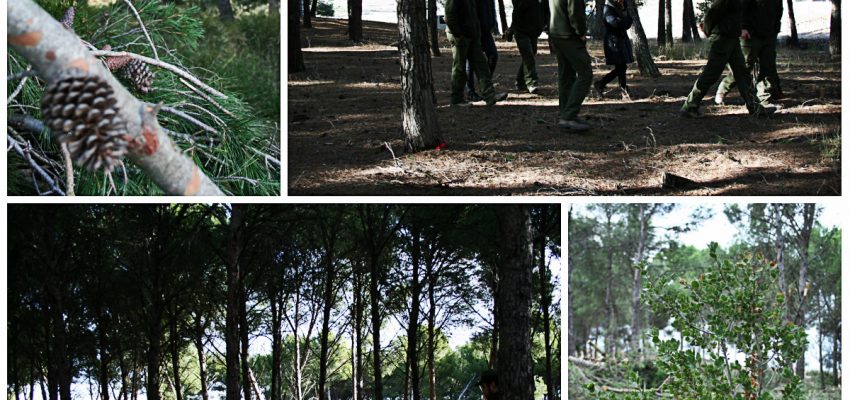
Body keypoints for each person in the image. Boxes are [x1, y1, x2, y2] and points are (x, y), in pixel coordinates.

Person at [680, 0, 776, 118]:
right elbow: (713, 12)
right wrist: (709, 31)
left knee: (742, 73)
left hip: (732, 39)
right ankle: (690, 106)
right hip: (722, 39)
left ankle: (755, 107)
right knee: (711, 74)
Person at [714, 0, 783, 106]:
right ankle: (723, 89)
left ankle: (764, 99)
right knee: (744, 66)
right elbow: (741, 8)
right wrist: (743, 27)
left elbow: (778, 10)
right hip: (751, 34)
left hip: (769, 35)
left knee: (768, 67)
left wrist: (775, 29)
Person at [445, 0, 509, 106]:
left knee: (481, 65)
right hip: (460, 36)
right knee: (459, 67)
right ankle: (457, 99)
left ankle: (489, 95)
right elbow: (449, 15)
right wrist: (459, 34)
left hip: (472, 35)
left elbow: (474, 15)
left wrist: (476, 33)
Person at [549, 0, 593, 131]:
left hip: (557, 34)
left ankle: (566, 114)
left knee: (566, 74)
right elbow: (575, 13)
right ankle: (568, 116)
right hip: (569, 35)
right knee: (585, 73)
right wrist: (581, 32)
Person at [593, 0, 634, 100]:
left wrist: (623, 19)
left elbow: (629, 22)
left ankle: (622, 89)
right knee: (621, 67)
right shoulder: (608, 8)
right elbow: (615, 23)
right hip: (613, 42)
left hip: (621, 41)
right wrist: (623, 21)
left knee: (622, 66)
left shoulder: (621, 9)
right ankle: (602, 84)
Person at [510, 0, 549, 94]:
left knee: (530, 55)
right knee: (528, 55)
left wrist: (543, 25)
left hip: (534, 31)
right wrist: (512, 29)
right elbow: (517, 10)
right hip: (521, 30)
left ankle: (520, 82)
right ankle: (532, 83)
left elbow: (546, 11)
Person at [465, 0, 499, 101]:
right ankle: (470, 91)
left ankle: (485, 85)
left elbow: (491, 9)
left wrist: (492, 23)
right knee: (470, 61)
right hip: (474, 31)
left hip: (486, 32)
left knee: (493, 55)